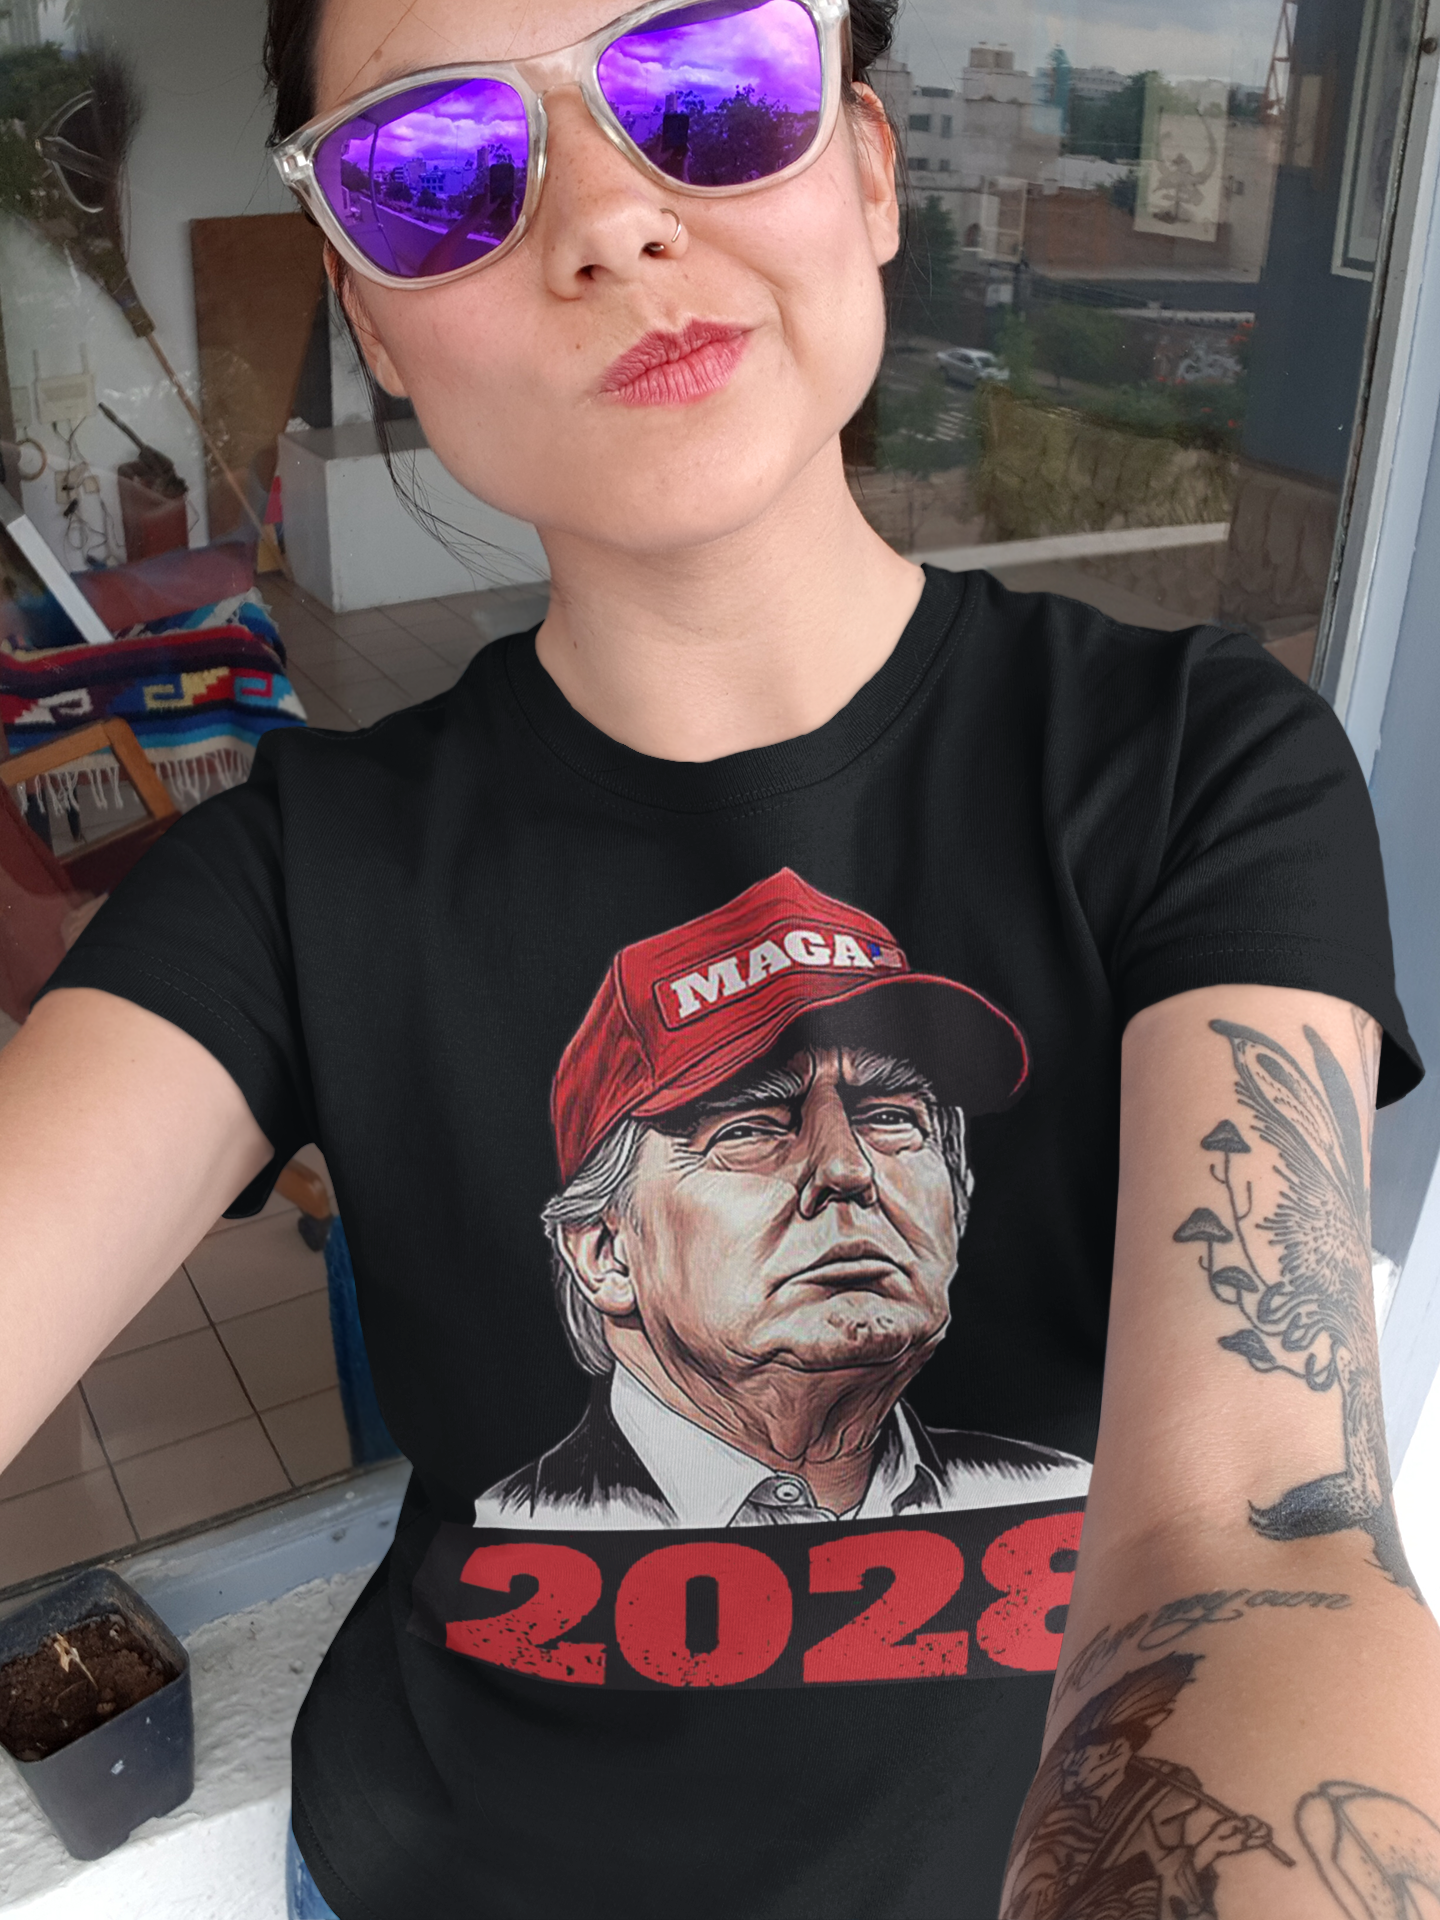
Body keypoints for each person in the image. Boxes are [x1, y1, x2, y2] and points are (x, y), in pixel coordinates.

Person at [1, 0, 1437, 1914]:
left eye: (709, 84)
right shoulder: (300, 876)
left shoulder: (1192, 772)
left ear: (868, 169)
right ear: (375, 320)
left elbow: (1254, 1547)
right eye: (440, 169)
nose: (610, 216)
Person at [476, 868, 1092, 1528]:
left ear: (959, 1194)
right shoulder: (523, 1530)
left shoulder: (1067, 1496)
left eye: (890, 1117)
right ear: (606, 1252)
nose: (847, 1169)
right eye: (749, 1129)